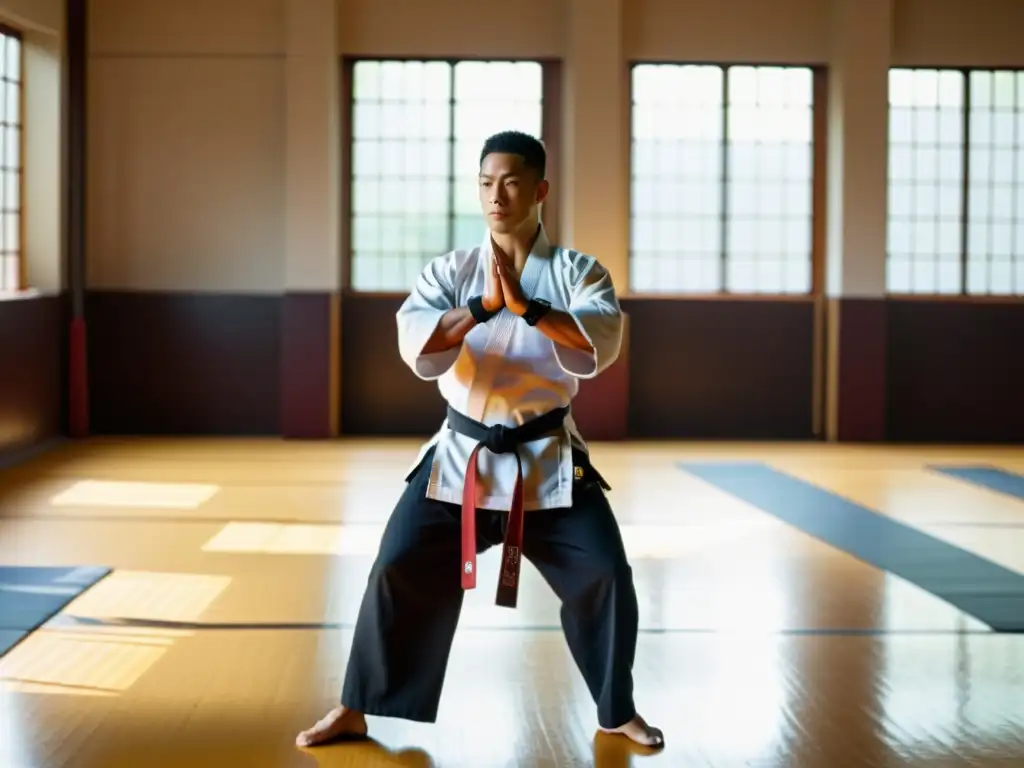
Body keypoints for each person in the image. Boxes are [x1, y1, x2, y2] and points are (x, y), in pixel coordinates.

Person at [296, 130, 664, 751]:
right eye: (487, 182)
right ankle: (356, 707)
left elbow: (596, 349)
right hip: (460, 458)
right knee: (394, 567)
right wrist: (482, 307)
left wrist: (531, 311)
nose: (498, 195)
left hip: (547, 459)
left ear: (541, 189)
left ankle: (616, 708)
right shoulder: (451, 271)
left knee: (605, 573)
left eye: (513, 181)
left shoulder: (579, 273)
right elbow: (421, 345)